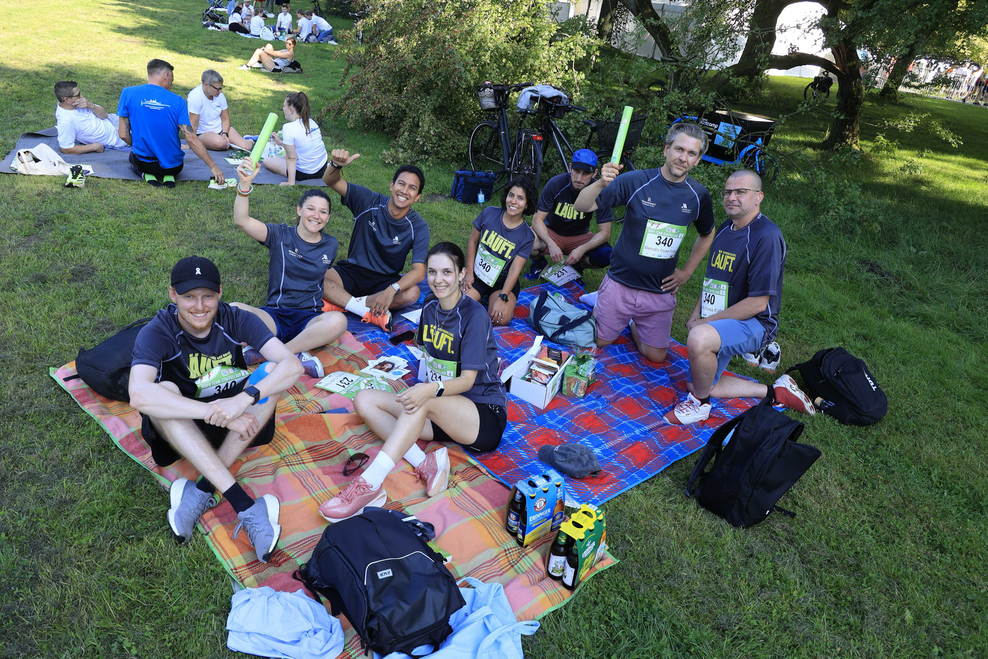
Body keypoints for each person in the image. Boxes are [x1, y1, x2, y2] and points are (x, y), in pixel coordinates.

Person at [128, 256, 304, 562]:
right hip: (183, 431)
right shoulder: (157, 330)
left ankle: (200, 490)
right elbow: (138, 395)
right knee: (162, 392)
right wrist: (213, 413)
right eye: (189, 297)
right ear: (173, 295)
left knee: (272, 373)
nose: (199, 306)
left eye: (207, 296)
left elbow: (292, 365)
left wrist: (243, 399)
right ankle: (246, 507)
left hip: (241, 421)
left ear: (220, 293)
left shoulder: (236, 318)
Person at [319, 242, 508, 522]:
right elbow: (427, 353)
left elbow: (468, 380)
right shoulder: (430, 306)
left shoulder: (474, 315)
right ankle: (425, 463)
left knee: (422, 400)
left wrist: (429, 389)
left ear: (461, 275)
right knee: (365, 399)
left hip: (481, 415)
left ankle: (369, 484)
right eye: (432, 272)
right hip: (440, 406)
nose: (438, 279)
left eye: (447, 272)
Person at [664, 170, 816, 424]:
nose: (732, 197)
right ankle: (775, 391)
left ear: (759, 197)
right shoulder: (726, 228)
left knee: (699, 339)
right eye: (728, 192)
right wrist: (696, 314)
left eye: (740, 192)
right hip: (726, 316)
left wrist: (705, 324)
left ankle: (700, 406)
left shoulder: (766, 237)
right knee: (697, 381)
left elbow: (758, 303)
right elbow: (714, 281)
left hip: (756, 323)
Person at [574, 123, 715, 363]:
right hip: (621, 282)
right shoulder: (636, 181)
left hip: (658, 291)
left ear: (698, 160)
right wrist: (599, 182)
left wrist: (687, 272)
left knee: (656, 356)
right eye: (679, 149)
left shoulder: (698, 195)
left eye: (692, 153)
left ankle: (633, 319)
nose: (683, 158)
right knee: (599, 342)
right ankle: (607, 304)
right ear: (666, 149)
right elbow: (582, 206)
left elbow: (707, 233)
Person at [228, 157, 347, 379]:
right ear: (299, 210)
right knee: (233, 310)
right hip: (275, 316)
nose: (316, 216)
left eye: (323, 212)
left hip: (308, 320)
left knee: (339, 320)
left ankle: (272, 353)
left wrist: (355, 302)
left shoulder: (330, 244)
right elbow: (241, 221)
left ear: (329, 217)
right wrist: (244, 185)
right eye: (311, 208)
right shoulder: (280, 235)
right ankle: (295, 354)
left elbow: (325, 274)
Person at [319, 149, 429, 331]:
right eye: (401, 184)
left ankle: (340, 303)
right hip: (352, 272)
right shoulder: (368, 201)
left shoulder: (419, 226)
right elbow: (330, 180)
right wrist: (336, 165)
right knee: (313, 272)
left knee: (413, 293)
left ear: (417, 197)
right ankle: (362, 309)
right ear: (392, 185)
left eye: (412, 188)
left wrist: (391, 290)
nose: (404, 191)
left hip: (384, 282)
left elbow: (419, 272)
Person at [117, 59, 226, 187]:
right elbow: (191, 138)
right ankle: (169, 176)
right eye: (172, 81)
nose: (171, 85)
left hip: (144, 163)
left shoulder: (128, 93)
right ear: (166, 76)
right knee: (170, 163)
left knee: (133, 157)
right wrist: (213, 166)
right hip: (173, 166)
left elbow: (123, 134)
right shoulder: (178, 101)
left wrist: (141, 144)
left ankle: (144, 174)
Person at [526, 149, 613, 279]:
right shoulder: (556, 183)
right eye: (576, 171)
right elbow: (537, 219)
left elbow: (605, 233)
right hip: (553, 232)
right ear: (570, 167)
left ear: (595, 173)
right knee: (525, 238)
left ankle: (577, 267)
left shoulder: (600, 190)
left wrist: (582, 249)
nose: (579, 178)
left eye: (586, 173)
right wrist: (551, 243)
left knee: (607, 254)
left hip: (580, 236)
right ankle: (539, 263)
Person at [464, 176, 536, 326]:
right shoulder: (489, 213)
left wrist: (503, 297)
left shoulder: (527, 236)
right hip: (478, 274)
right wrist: (469, 273)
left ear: (527, 203)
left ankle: (489, 299)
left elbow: (515, 270)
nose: (513, 201)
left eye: (520, 198)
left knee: (499, 319)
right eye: (511, 195)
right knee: (457, 306)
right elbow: (472, 241)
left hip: (502, 282)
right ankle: (481, 298)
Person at [260, 92, 327, 185]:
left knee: (267, 160)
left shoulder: (289, 128)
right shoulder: (311, 122)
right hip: (322, 169)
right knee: (281, 157)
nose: (283, 109)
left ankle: (291, 179)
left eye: (284, 106)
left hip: (306, 173)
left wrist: (290, 182)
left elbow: (292, 158)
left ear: (291, 109)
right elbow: (302, 145)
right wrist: (281, 143)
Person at [53, 81, 129, 154]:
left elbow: (105, 115)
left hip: (112, 120)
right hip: (115, 138)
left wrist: (91, 106)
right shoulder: (66, 122)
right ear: (66, 99)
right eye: (78, 95)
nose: (81, 96)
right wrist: (93, 147)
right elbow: (66, 149)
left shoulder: (77, 103)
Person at [187, 70, 254, 152]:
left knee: (245, 147)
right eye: (217, 89)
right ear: (206, 85)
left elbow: (225, 118)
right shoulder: (195, 96)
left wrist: (225, 133)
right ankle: (222, 142)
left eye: (221, 88)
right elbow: (193, 123)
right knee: (220, 143)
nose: (220, 91)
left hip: (220, 129)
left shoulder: (220, 96)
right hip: (204, 133)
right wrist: (191, 143)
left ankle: (251, 140)